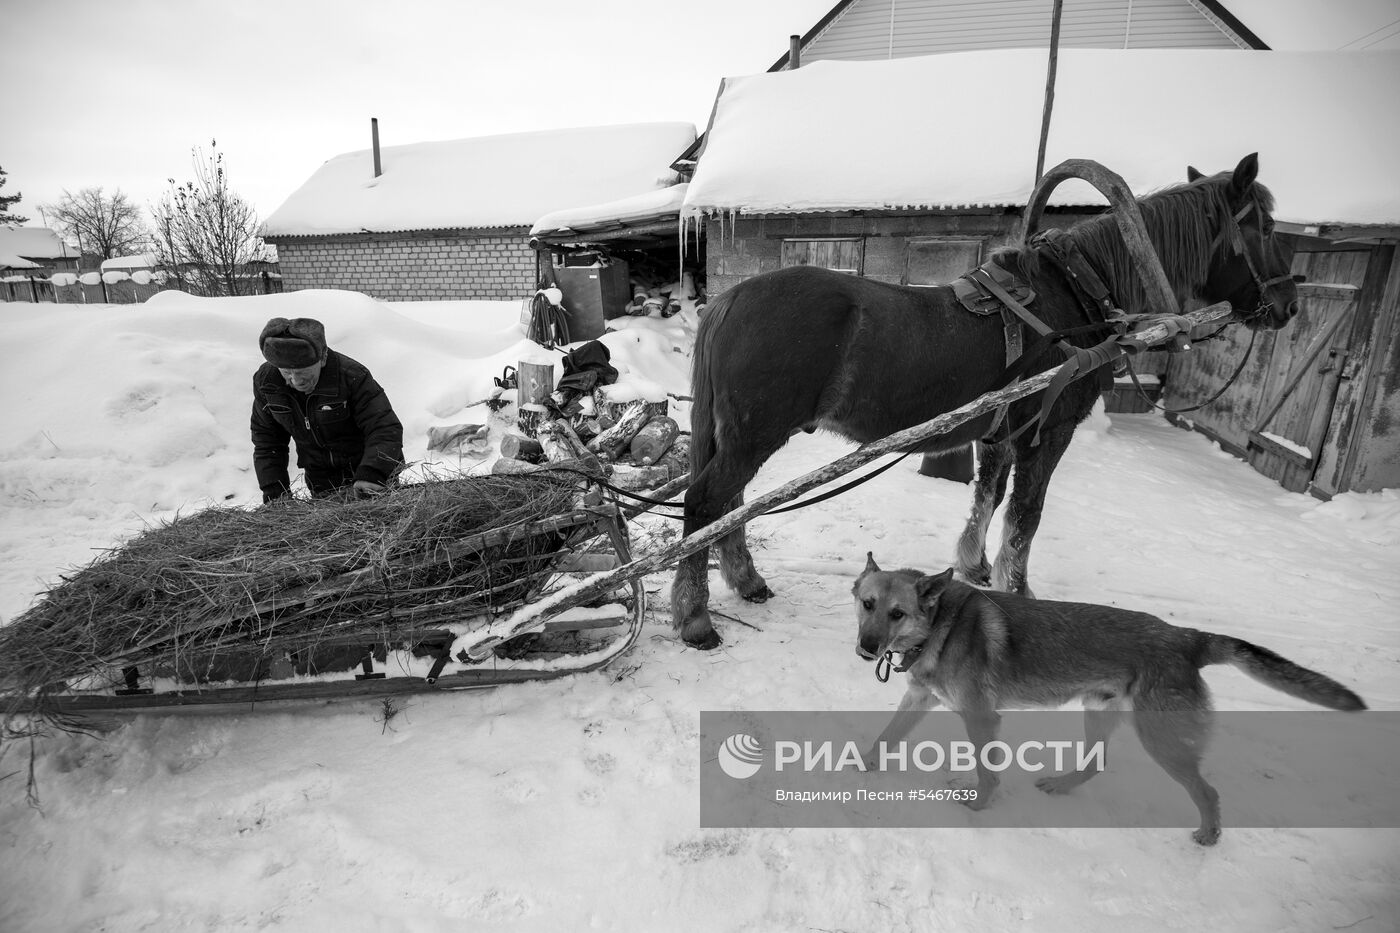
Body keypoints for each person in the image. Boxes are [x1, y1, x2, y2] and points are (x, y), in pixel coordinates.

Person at [251, 317, 404, 502]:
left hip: (370, 475)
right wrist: (275, 493)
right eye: (286, 372)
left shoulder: (352, 376)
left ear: (323, 358)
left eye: (302, 372)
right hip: (322, 481)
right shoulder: (267, 383)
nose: (295, 381)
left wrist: (372, 473)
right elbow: (267, 443)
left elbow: (384, 427)